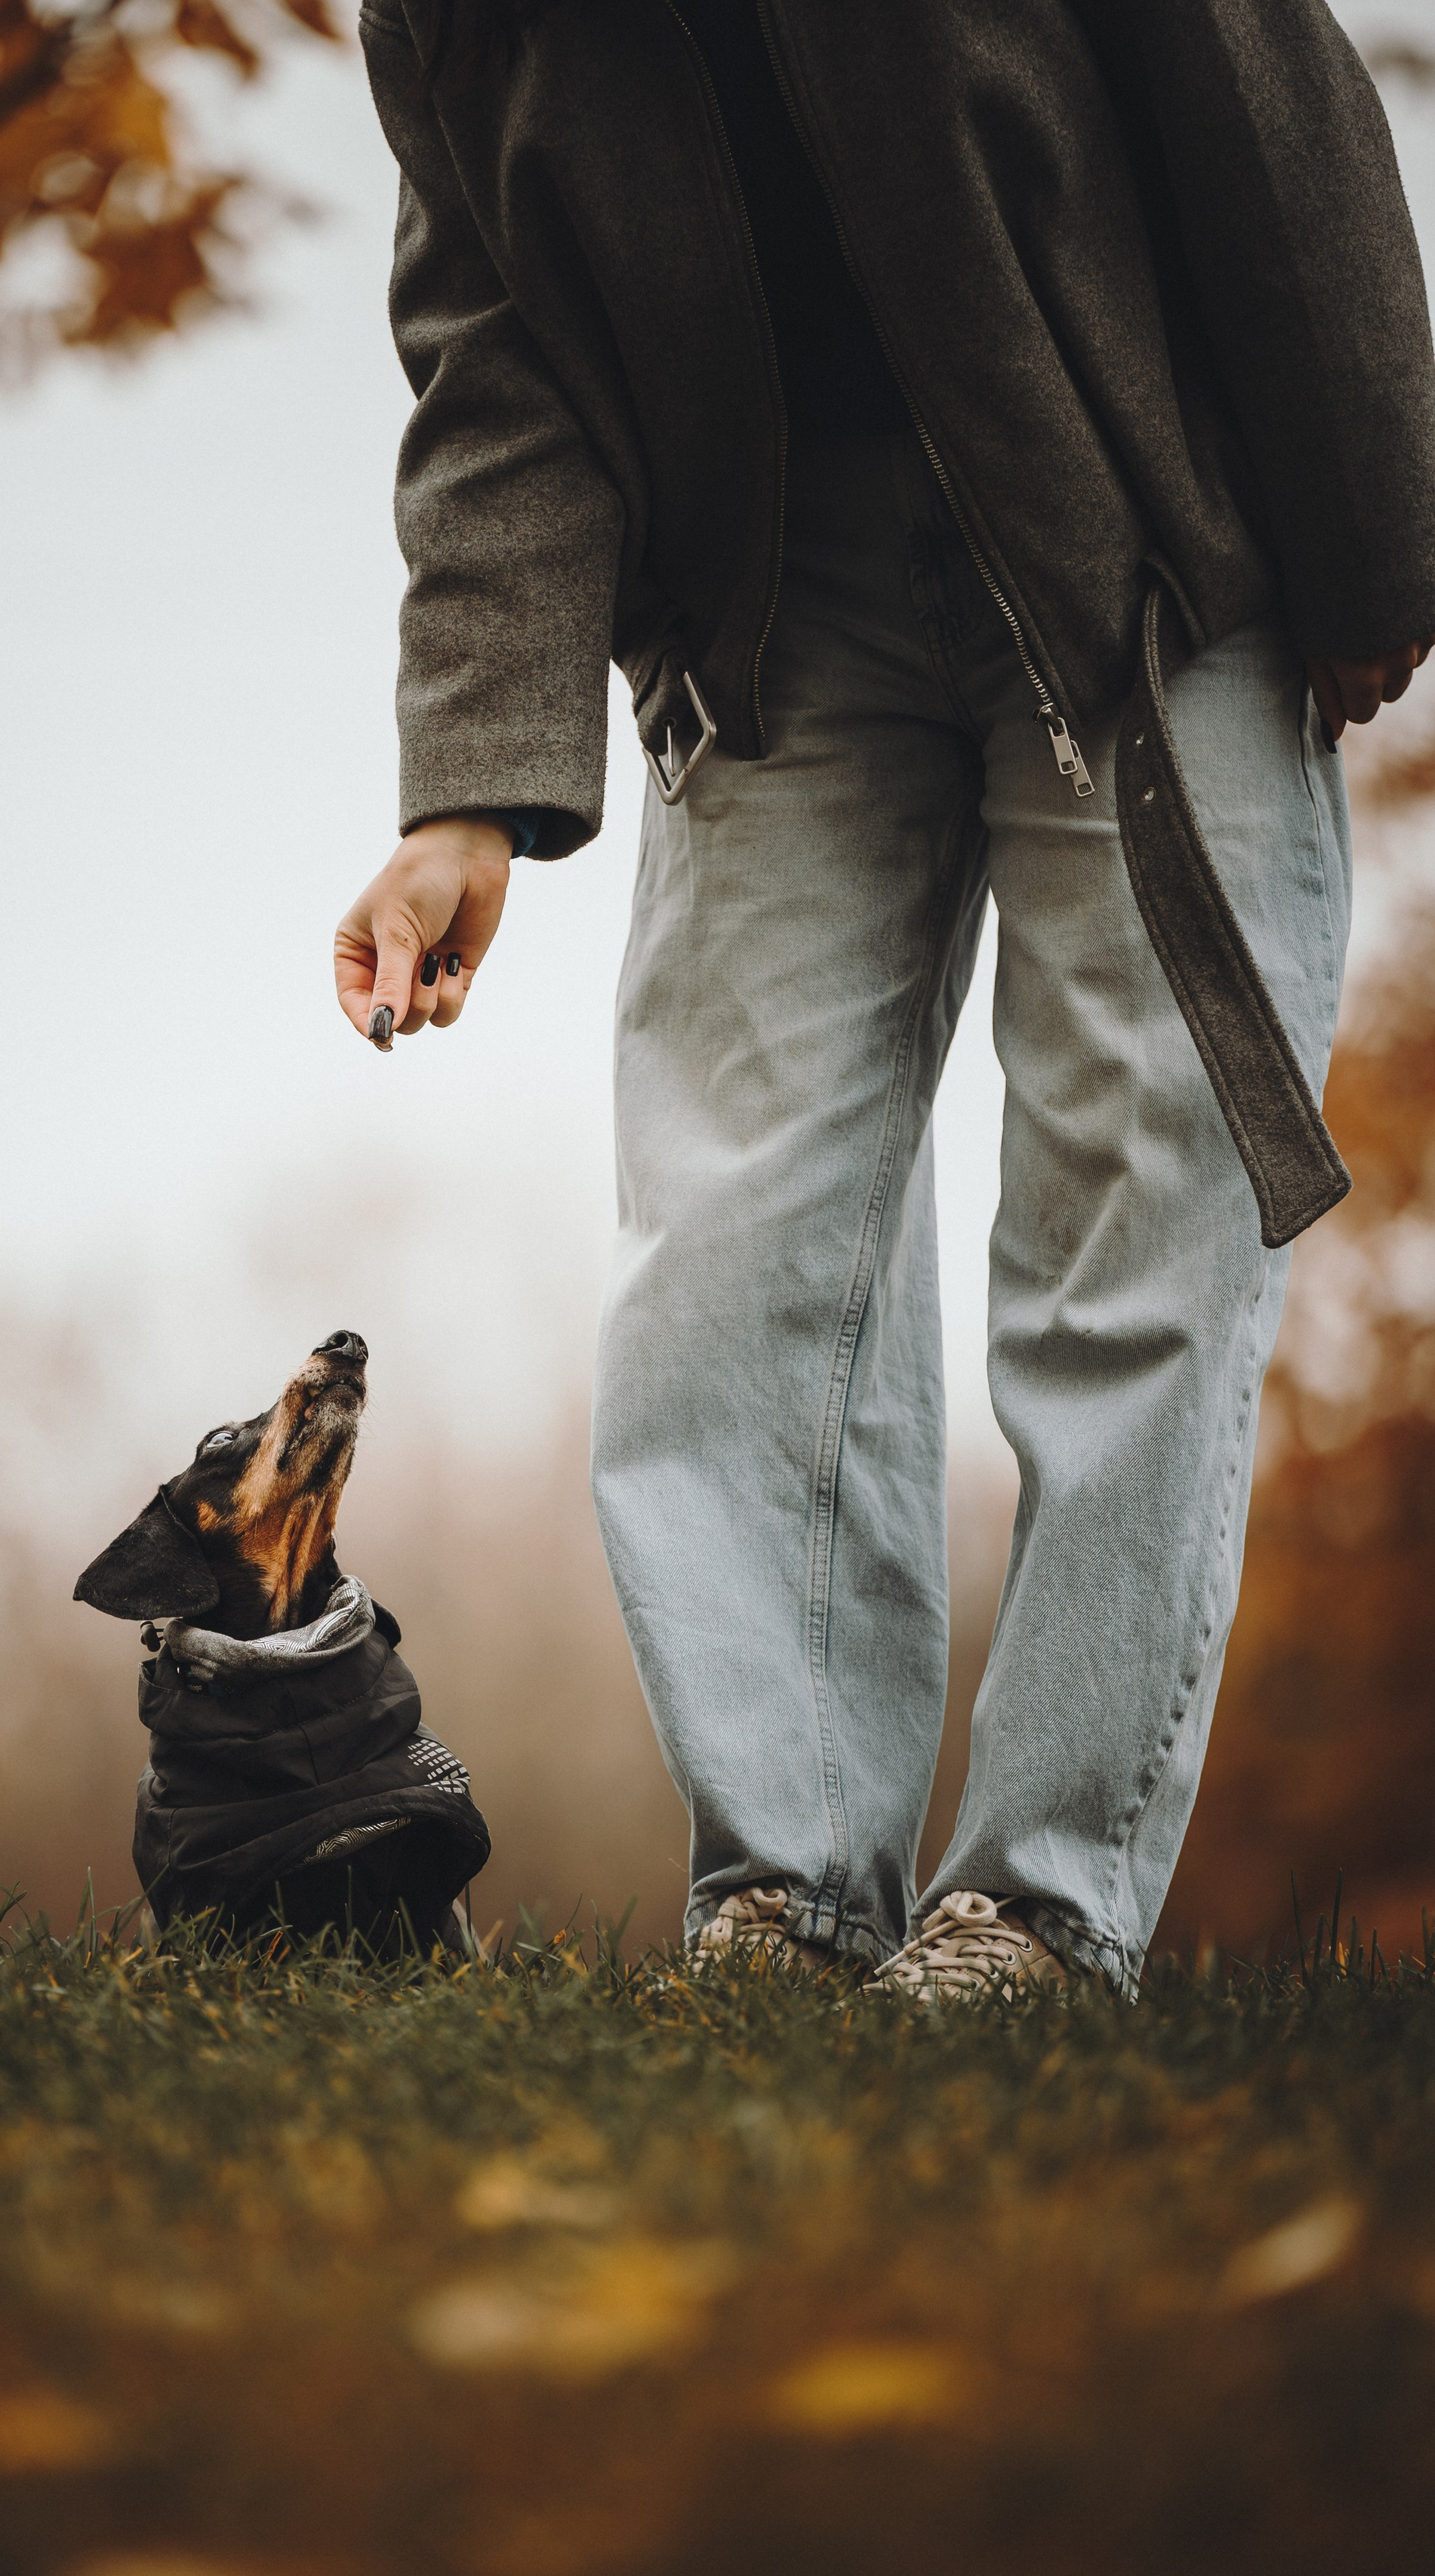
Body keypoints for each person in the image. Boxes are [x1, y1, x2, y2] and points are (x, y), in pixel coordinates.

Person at [331, 0, 1435, 1997]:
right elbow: (498, 353)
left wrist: (1372, 535)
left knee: (1137, 1217)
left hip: (1135, 525)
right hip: (767, 609)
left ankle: (1035, 1912)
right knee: (728, 1244)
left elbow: (1254, 86)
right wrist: (465, 792)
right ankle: (787, 1899)